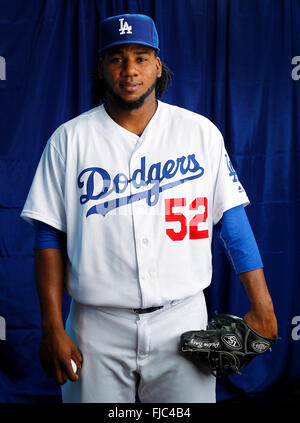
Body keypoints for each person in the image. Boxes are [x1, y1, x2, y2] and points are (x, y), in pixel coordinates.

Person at [21, 13, 277, 403]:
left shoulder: (199, 132)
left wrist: (263, 304)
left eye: (141, 58)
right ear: (102, 68)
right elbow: (48, 235)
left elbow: (232, 219)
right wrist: (53, 326)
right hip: (95, 325)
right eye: (117, 58)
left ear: (158, 66)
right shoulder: (69, 140)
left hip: (182, 319)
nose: (129, 70)